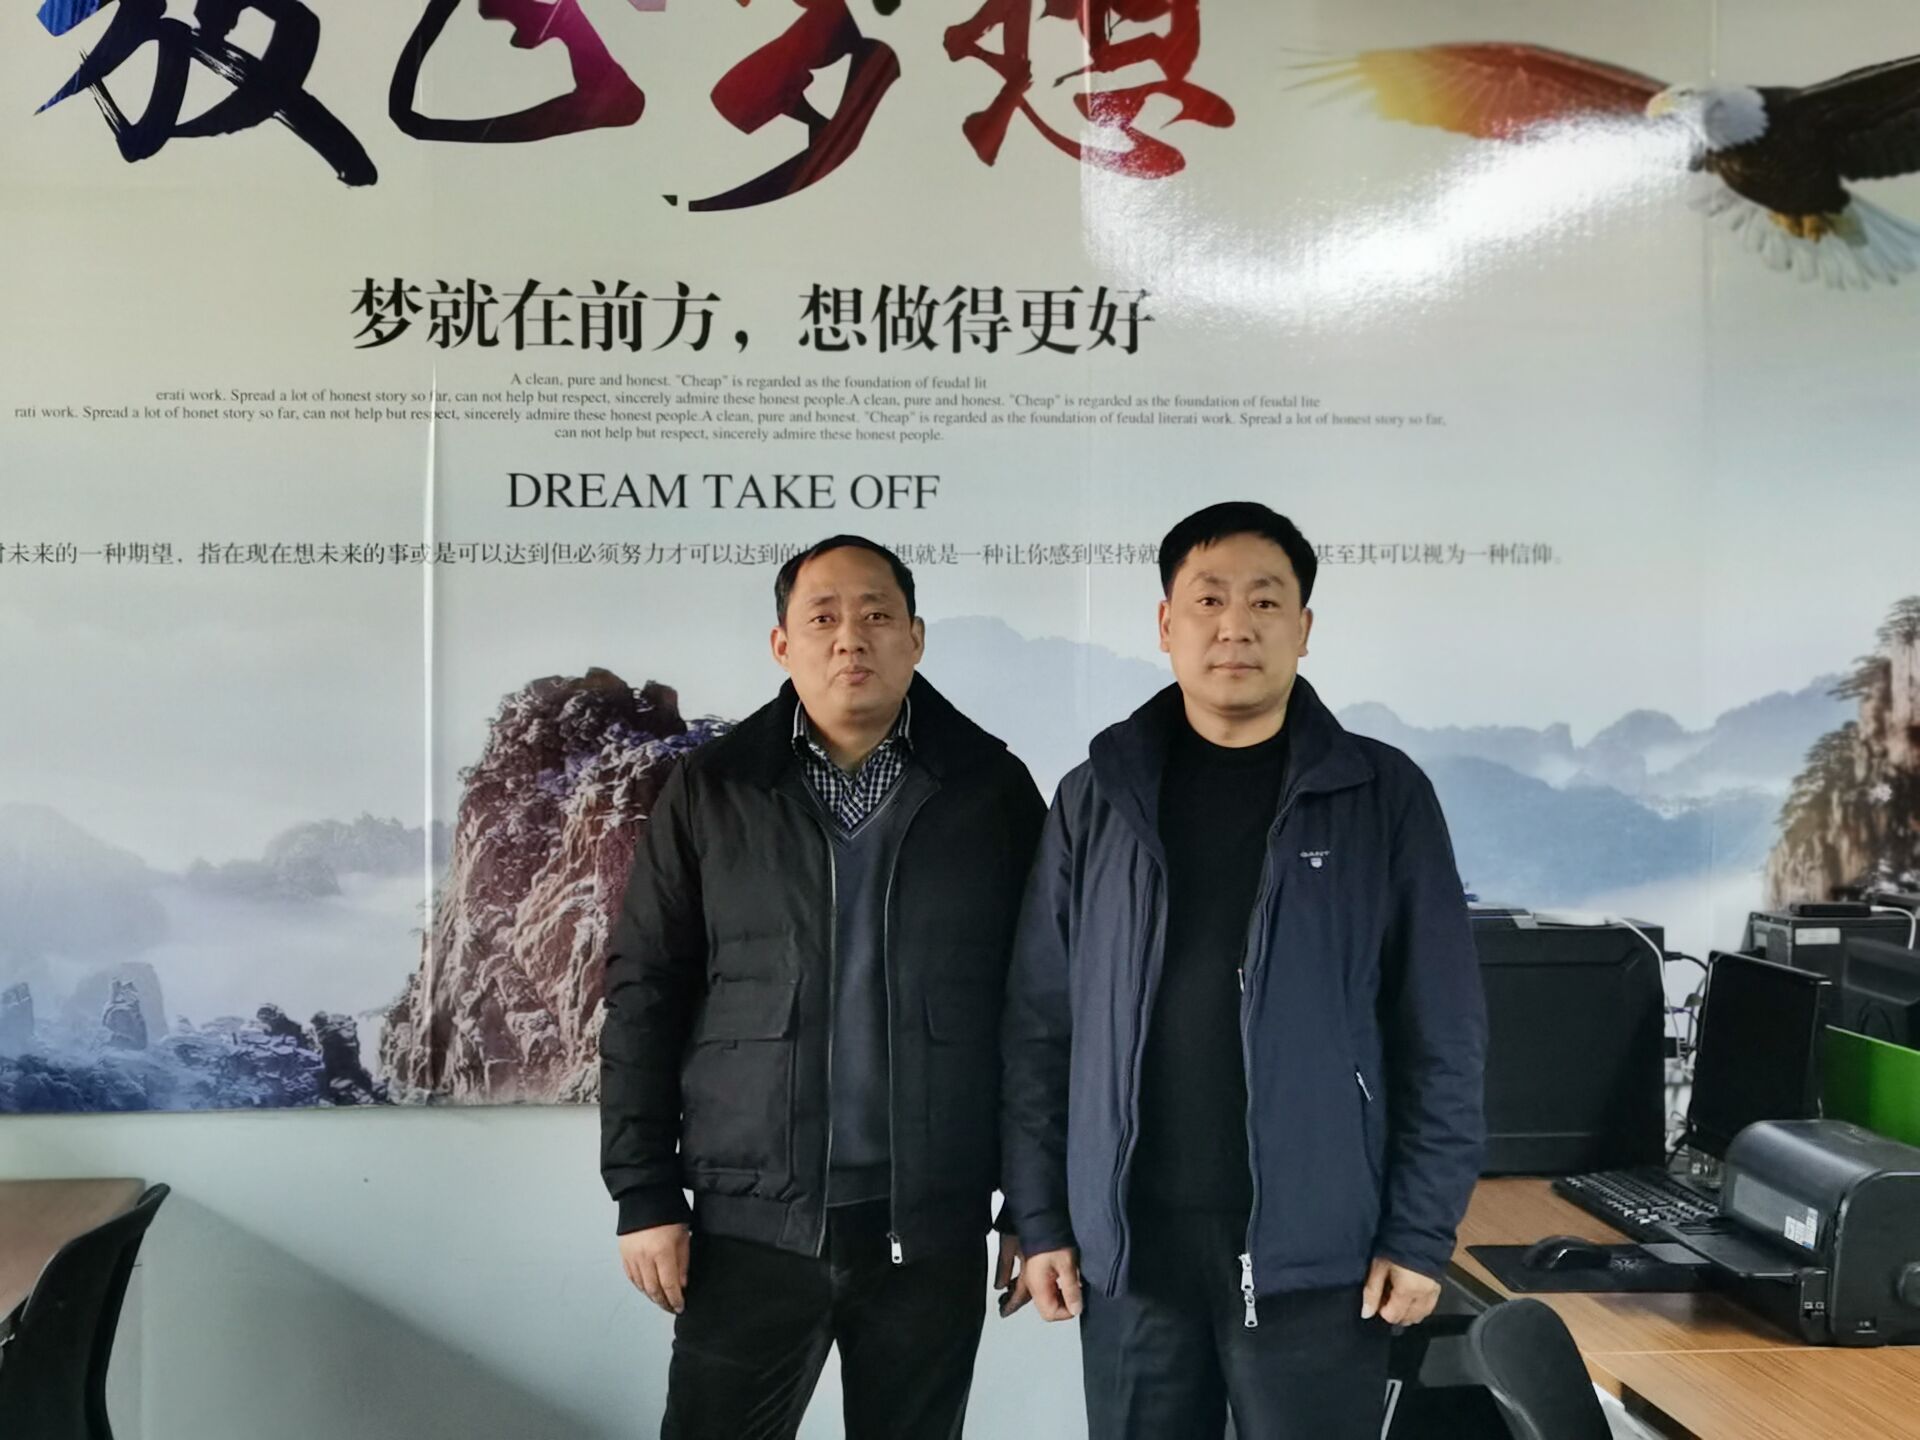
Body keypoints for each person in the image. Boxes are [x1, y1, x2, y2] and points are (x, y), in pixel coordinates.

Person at [1002, 501, 1487, 1439]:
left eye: (1265, 602)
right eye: (1209, 600)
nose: (1235, 626)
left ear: (1303, 628)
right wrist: (1042, 1217)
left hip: (1320, 1258)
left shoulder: (1381, 796)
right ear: (1166, 625)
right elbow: (1039, 1031)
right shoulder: (1097, 798)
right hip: (1134, 1255)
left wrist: (1421, 1232)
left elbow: (1444, 1034)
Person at [599, 535, 1046, 1440]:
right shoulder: (713, 790)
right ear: (782, 644)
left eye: (877, 615)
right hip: (750, 1225)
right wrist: (644, 1192)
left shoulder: (991, 790)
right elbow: (646, 990)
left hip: (929, 1223)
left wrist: (1035, 1205)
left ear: (916, 638)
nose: (852, 638)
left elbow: (1039, 1009)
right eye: (824, 618)